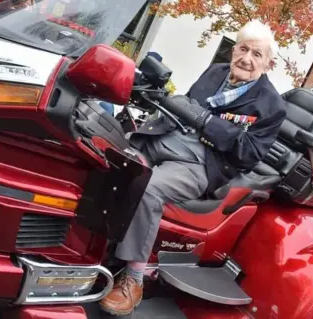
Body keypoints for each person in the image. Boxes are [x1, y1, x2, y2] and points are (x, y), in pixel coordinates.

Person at [98, 20, 287, 316]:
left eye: (257, 54)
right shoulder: (215, 73)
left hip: (205, 162)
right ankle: (91, 247)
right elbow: (186, 104)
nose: (247, 59)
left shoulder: (271, 106)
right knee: (105, 154)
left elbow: (248, 154)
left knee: (149, 187)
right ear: (234, 48)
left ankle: (133, 280)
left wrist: (208, 124)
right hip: (169, 136)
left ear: (268, 62)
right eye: (243, 48)